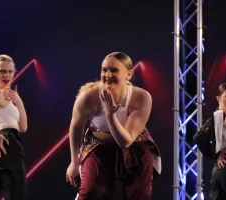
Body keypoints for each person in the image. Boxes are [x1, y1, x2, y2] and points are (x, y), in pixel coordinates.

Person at [65, 52, 161, 200]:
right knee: (91, 191)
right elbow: (76, 128)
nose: (108, 75)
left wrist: (110, 115)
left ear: (128, 75)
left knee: (140, 194)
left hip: (135, 145)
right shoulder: (88, 98)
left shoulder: (141, 97)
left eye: (114, 70)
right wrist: (73, 162)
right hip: (99, 144)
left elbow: (126, 141)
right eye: (104, 70)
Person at [0, 55, 28, 199]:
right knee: (16, 194)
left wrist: (18, 101)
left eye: (10, 71)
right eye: (2, 71)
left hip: (8, 142)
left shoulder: (8, 95)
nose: (7, 75)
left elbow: (23, 127)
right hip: (7, 142)